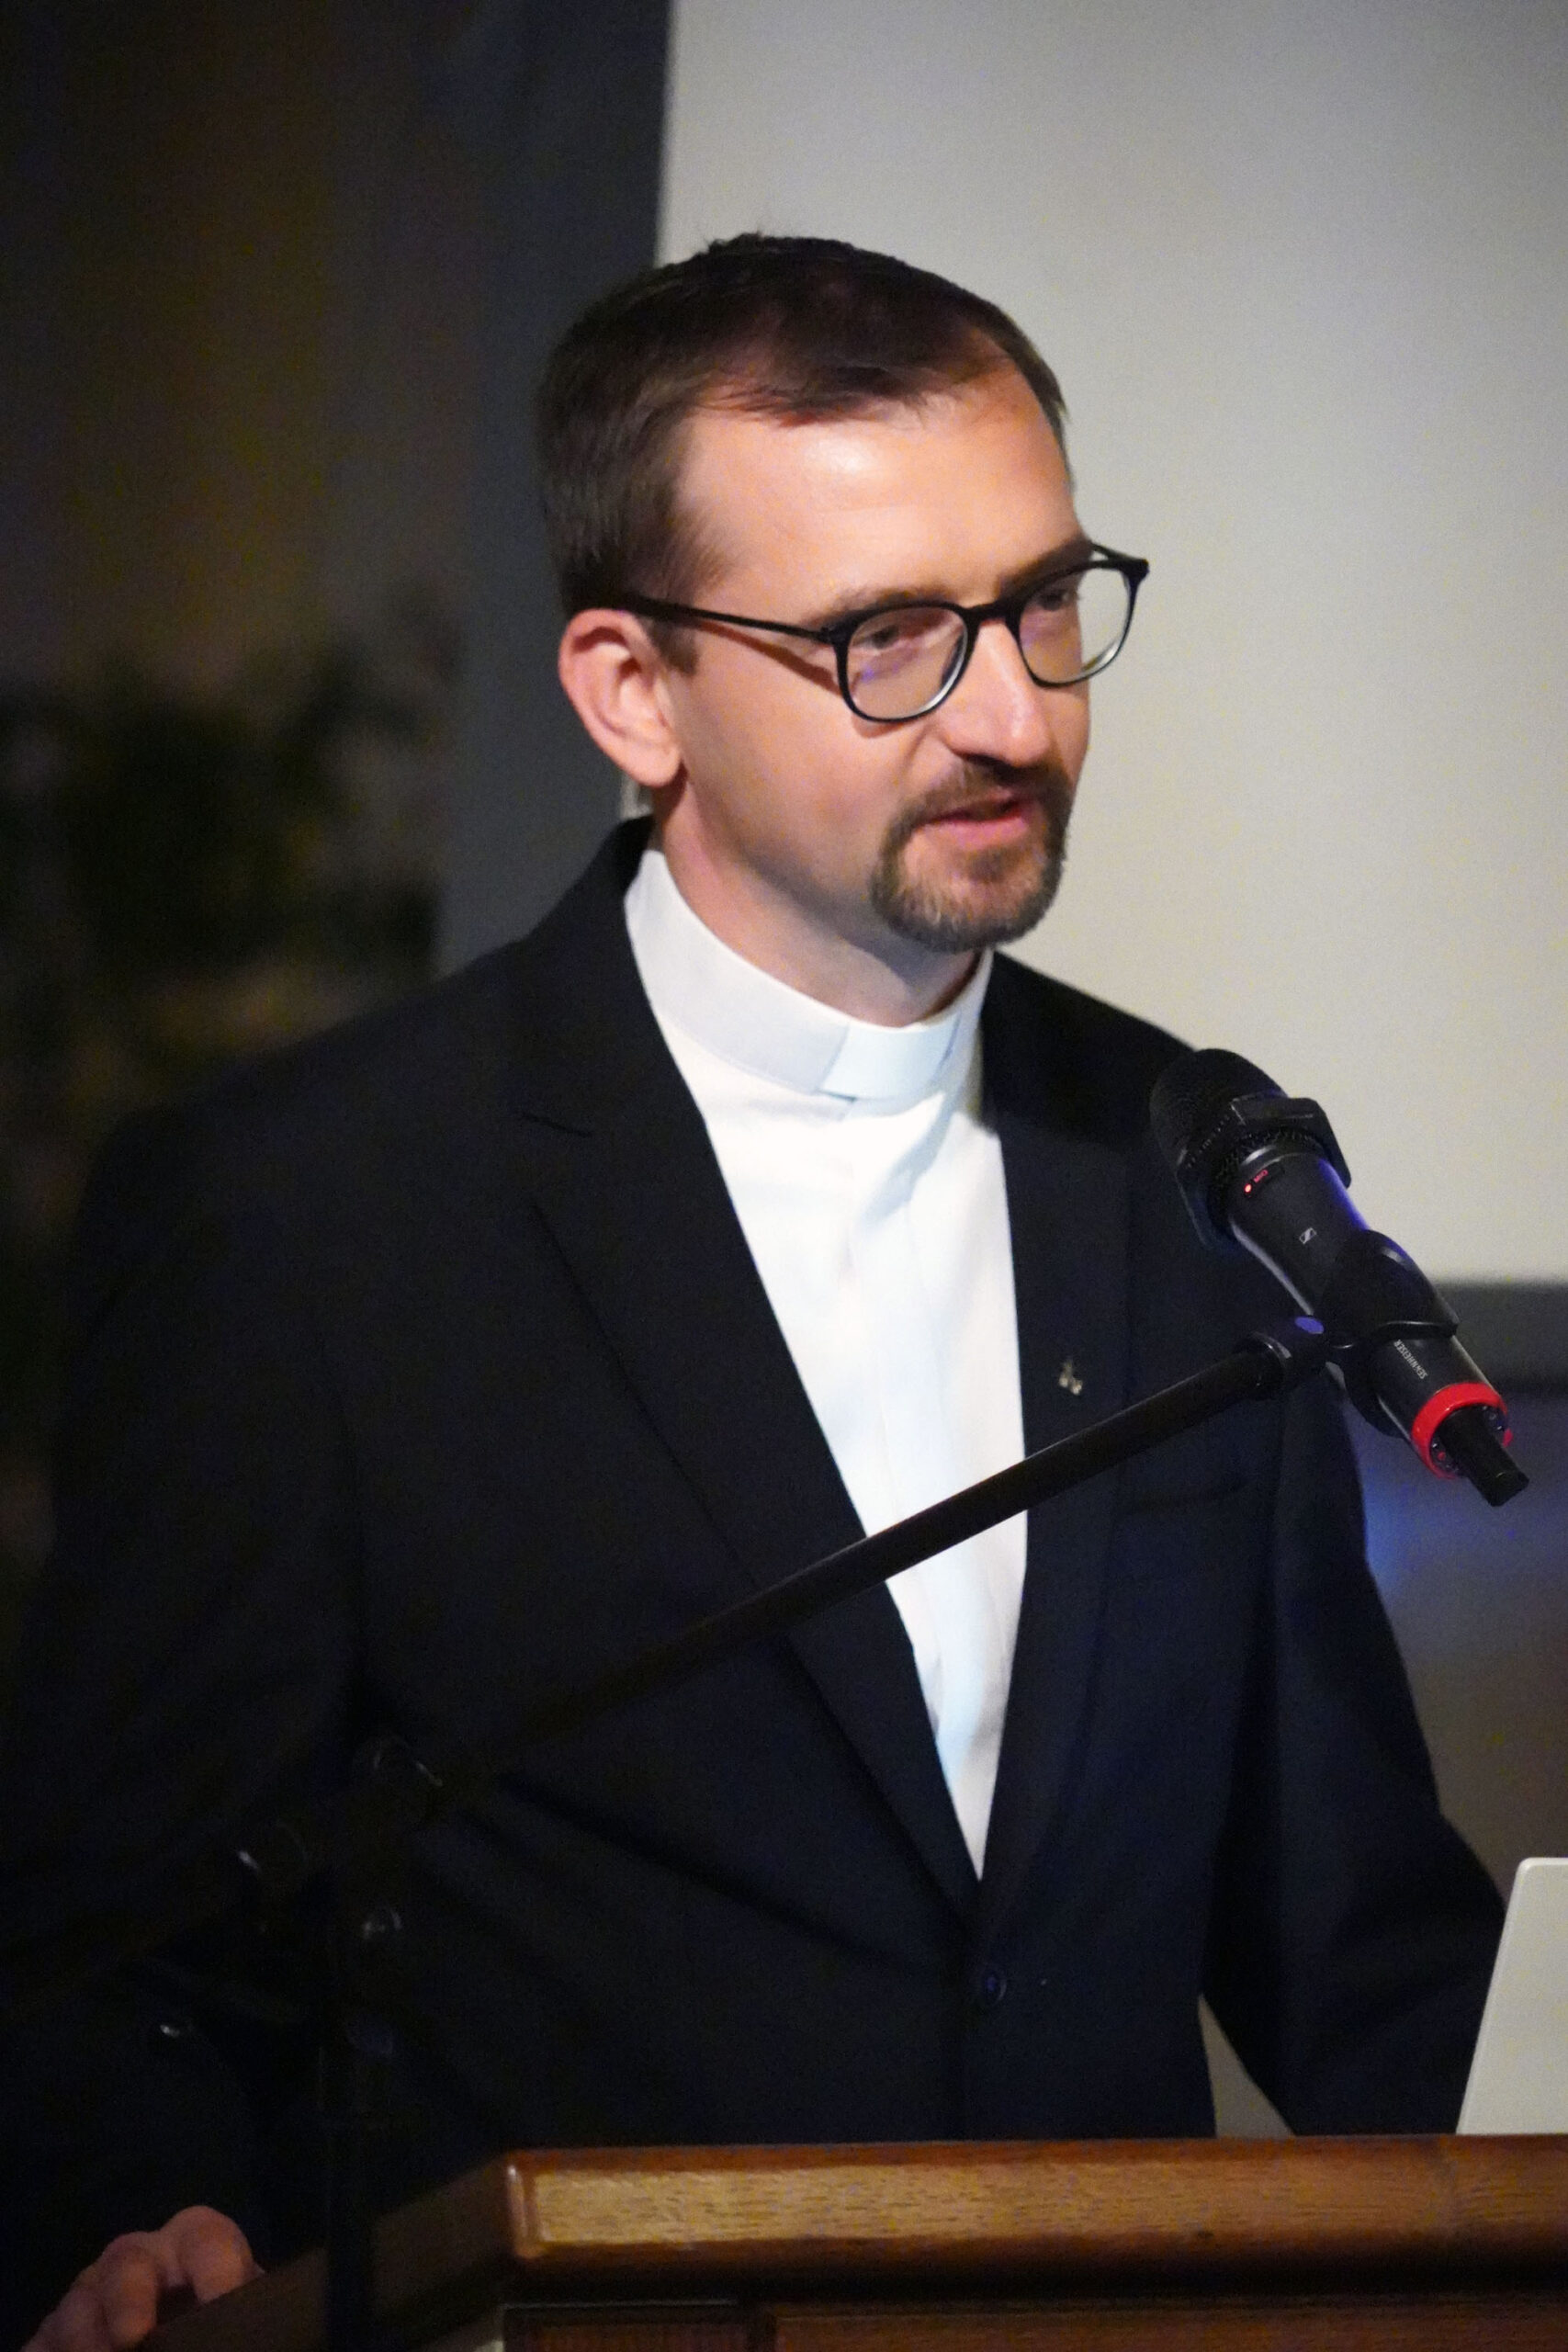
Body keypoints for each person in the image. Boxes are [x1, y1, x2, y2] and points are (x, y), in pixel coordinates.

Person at [0, 235, 1502, 2352]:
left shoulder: (1185, 1164)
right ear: (633, 689)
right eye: (888, 638)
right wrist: (146, 2207)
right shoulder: (310, 1213)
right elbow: (116, 1943)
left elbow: (1351, 1950)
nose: (1011, 714)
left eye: (1042, 603)